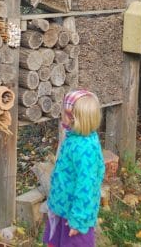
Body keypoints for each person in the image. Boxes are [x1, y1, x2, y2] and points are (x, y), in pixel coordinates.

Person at [43, 90, 105, 247]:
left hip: (74, 216)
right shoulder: (74, 137)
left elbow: (87, 187)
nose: (61, 114)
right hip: (63, 207)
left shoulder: (85, 149)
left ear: (73, 118)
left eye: (64, 111)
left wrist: (78, 221)